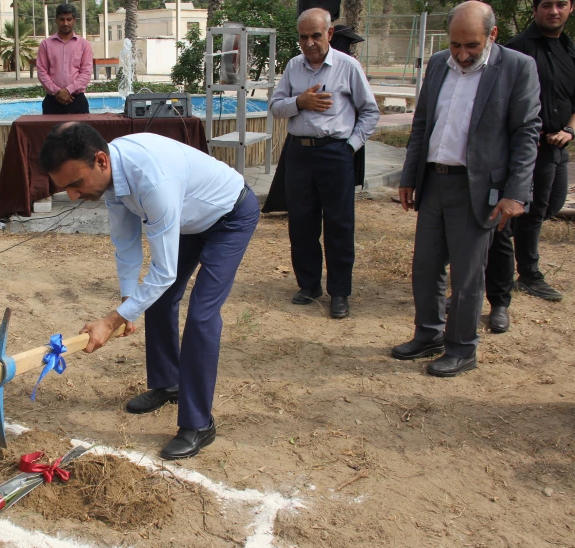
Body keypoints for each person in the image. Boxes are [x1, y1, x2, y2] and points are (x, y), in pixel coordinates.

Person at [38, 122, 259, 460]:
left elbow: (164, 272)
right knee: (157, 300)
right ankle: (169, 383)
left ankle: (198, 424)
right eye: (64, 188)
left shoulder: (152, 179)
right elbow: (125, 243)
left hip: (229, 216)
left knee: (201, 316)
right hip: (189, 220)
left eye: (75, 184)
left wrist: (112, 321)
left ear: (100, 161)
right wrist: (128, 301)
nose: (72, 196)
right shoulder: (110, 177)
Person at [392, 1, 541, 377]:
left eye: (471, 46)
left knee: (468, 275)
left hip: (480, 191)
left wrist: (515, 193)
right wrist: (409, 175)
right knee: (425, 268)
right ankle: (429, 334)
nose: (461, 54)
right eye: (455, 44)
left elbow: (526, 133)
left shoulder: (517, 68)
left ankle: (462, 348)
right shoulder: (439, 63)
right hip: (434, 181)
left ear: (492, 35)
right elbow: (423, 122)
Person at [268, 8, 379, 320]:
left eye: (316, 35)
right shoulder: (293, 67)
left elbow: (370, 112)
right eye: (303, 37)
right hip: (299, 154)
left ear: (329, 34)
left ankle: (340, 292)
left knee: (339, 224)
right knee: (301, 222)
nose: (310, 42)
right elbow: (276, 107)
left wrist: (351, 146)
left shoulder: (347, 67)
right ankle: (309, 285)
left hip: (335, 153)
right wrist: (299, 103)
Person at [484, 0, 574, 333]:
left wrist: (569, 130)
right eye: (547, 5)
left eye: (561, 4)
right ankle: (516, 282)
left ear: (571, 9)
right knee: (510, 220)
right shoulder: (518, 51)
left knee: (548, 206)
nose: (554, 11)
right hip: (524, 150)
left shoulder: (568, 50)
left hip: (556, 147)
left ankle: (514, 271)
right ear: (535, 10)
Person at [36, 4, 93, 115]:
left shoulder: (84, 45)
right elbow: (41, 72)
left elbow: (86, 72)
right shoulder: (45, 45)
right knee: (52, 132)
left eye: (69, 19)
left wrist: (68, 90)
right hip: (52, 101)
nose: (65, 23)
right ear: (56, 20)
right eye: (62, 19)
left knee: (80, 132)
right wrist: (58, 92)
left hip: (77, 101)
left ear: (74, 20)